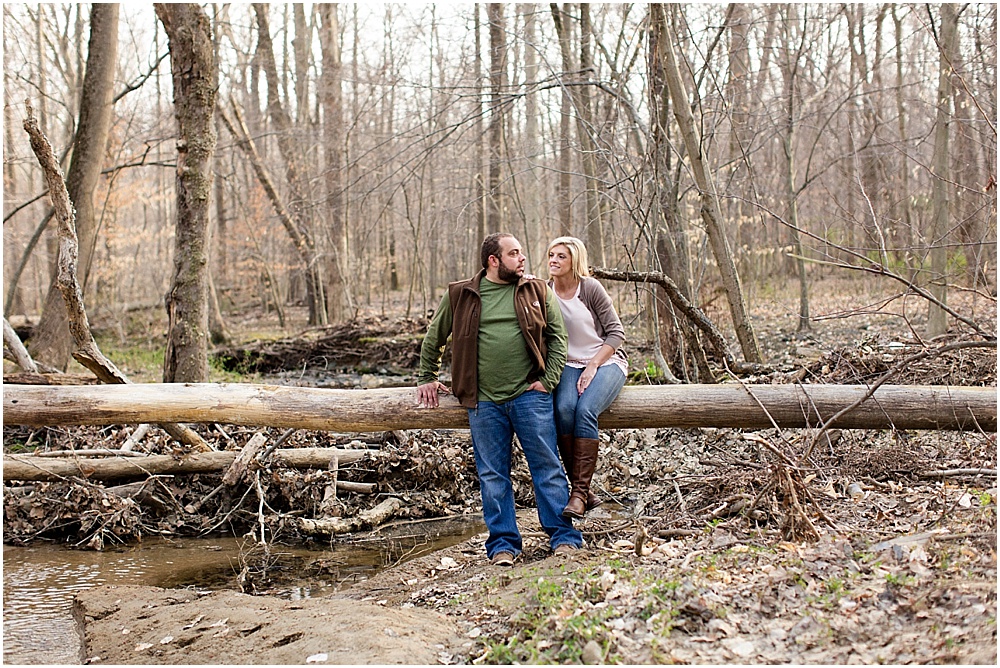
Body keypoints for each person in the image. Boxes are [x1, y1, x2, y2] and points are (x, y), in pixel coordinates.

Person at [417, 233, 583, 566]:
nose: (523, 259)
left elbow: (558, 336)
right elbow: (434, 338)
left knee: (547, 468)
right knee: (493, 476)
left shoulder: (536, 290)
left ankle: (564, 538)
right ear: (494, 260)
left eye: (521, 252)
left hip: (529, 397)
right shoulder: (461, 294)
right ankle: (504, 545)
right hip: (483, 403)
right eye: (514, 253)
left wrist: (548, 380)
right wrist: (427, 378)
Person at [546, 236, 628, 519]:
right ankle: (583, 492)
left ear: (574, 261)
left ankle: (579, 494)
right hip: (567, 363)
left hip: (604, 360)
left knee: (585, 410)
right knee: (563, 410)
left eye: (561, 257)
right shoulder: (544, 291)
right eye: (551, 255)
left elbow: (616, 333)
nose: (553, 261)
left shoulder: (590, 288)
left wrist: (593, 365)